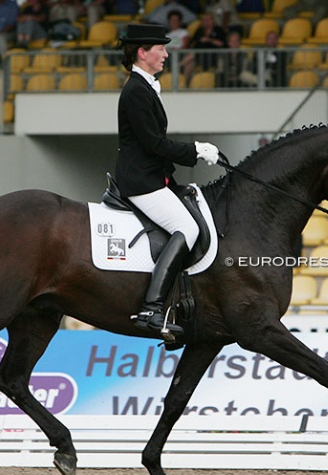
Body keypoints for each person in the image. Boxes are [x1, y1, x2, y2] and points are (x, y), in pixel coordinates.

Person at [114, 24, 220, 341]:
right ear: (142, 52)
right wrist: (196, 150)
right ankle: (151, 308)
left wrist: (173, 182)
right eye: (160, 48)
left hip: (154, 177)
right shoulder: (135, 91)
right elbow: (154, 144)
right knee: (187, 229)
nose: (166, 53)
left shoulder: (145, 87)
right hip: (140, 181)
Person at [182, 12, 226, 83]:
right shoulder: (200, 30)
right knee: (189, 63)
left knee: (222, 64)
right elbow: (192, 43)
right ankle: (185, 83)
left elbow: (222, 44)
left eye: (208, 20)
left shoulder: (219, 30)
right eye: (205, 20)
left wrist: (210, 40)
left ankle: (219, 84)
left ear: (213, 20)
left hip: (215, 55)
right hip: (200, 56)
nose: (206, 22)